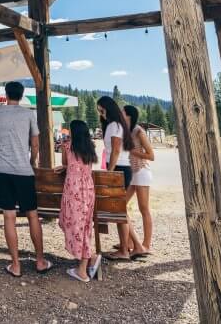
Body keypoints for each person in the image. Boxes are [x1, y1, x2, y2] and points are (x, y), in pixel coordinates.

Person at [0, 81, 52, 277]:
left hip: (2, 170)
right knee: (32, 215)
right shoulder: (28, 114)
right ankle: (40, 261)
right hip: (23, 171)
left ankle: (16, 265)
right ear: (22, 94)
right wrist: (32, 161)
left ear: (6, 94)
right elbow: (35, 144)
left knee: (9, 217)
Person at [96, 95, 146, 261]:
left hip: (118, 169)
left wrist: (109, 172)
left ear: (106, 108)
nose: (99, 113)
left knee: (118, 211)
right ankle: (136, 246)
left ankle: (125, 250)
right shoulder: (119, 125)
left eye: (100, 109)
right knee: (120, 210)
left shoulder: (113, 125)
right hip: (123, 168)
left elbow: (116, 150)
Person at [54, 119, 98, 282]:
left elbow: (67, 163)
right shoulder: (90, 147)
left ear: (73, 132)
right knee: (84, 225)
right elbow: (81, 164)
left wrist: (66, 168)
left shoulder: (68, 146)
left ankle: (82, 269)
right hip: (88, 189)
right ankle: (90, 257)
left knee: (74, 225)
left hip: (73, 190)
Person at [123, 104, 155, 255]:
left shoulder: (138, 131)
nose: (120, 114)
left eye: (122, 112)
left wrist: (135, 152)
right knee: (120, 205)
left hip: (142, 171)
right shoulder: (126, 131)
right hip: (132, 173)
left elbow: (151, 155)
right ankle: (129, 241)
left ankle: (146, 245)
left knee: (144, 209)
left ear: (129, 115)